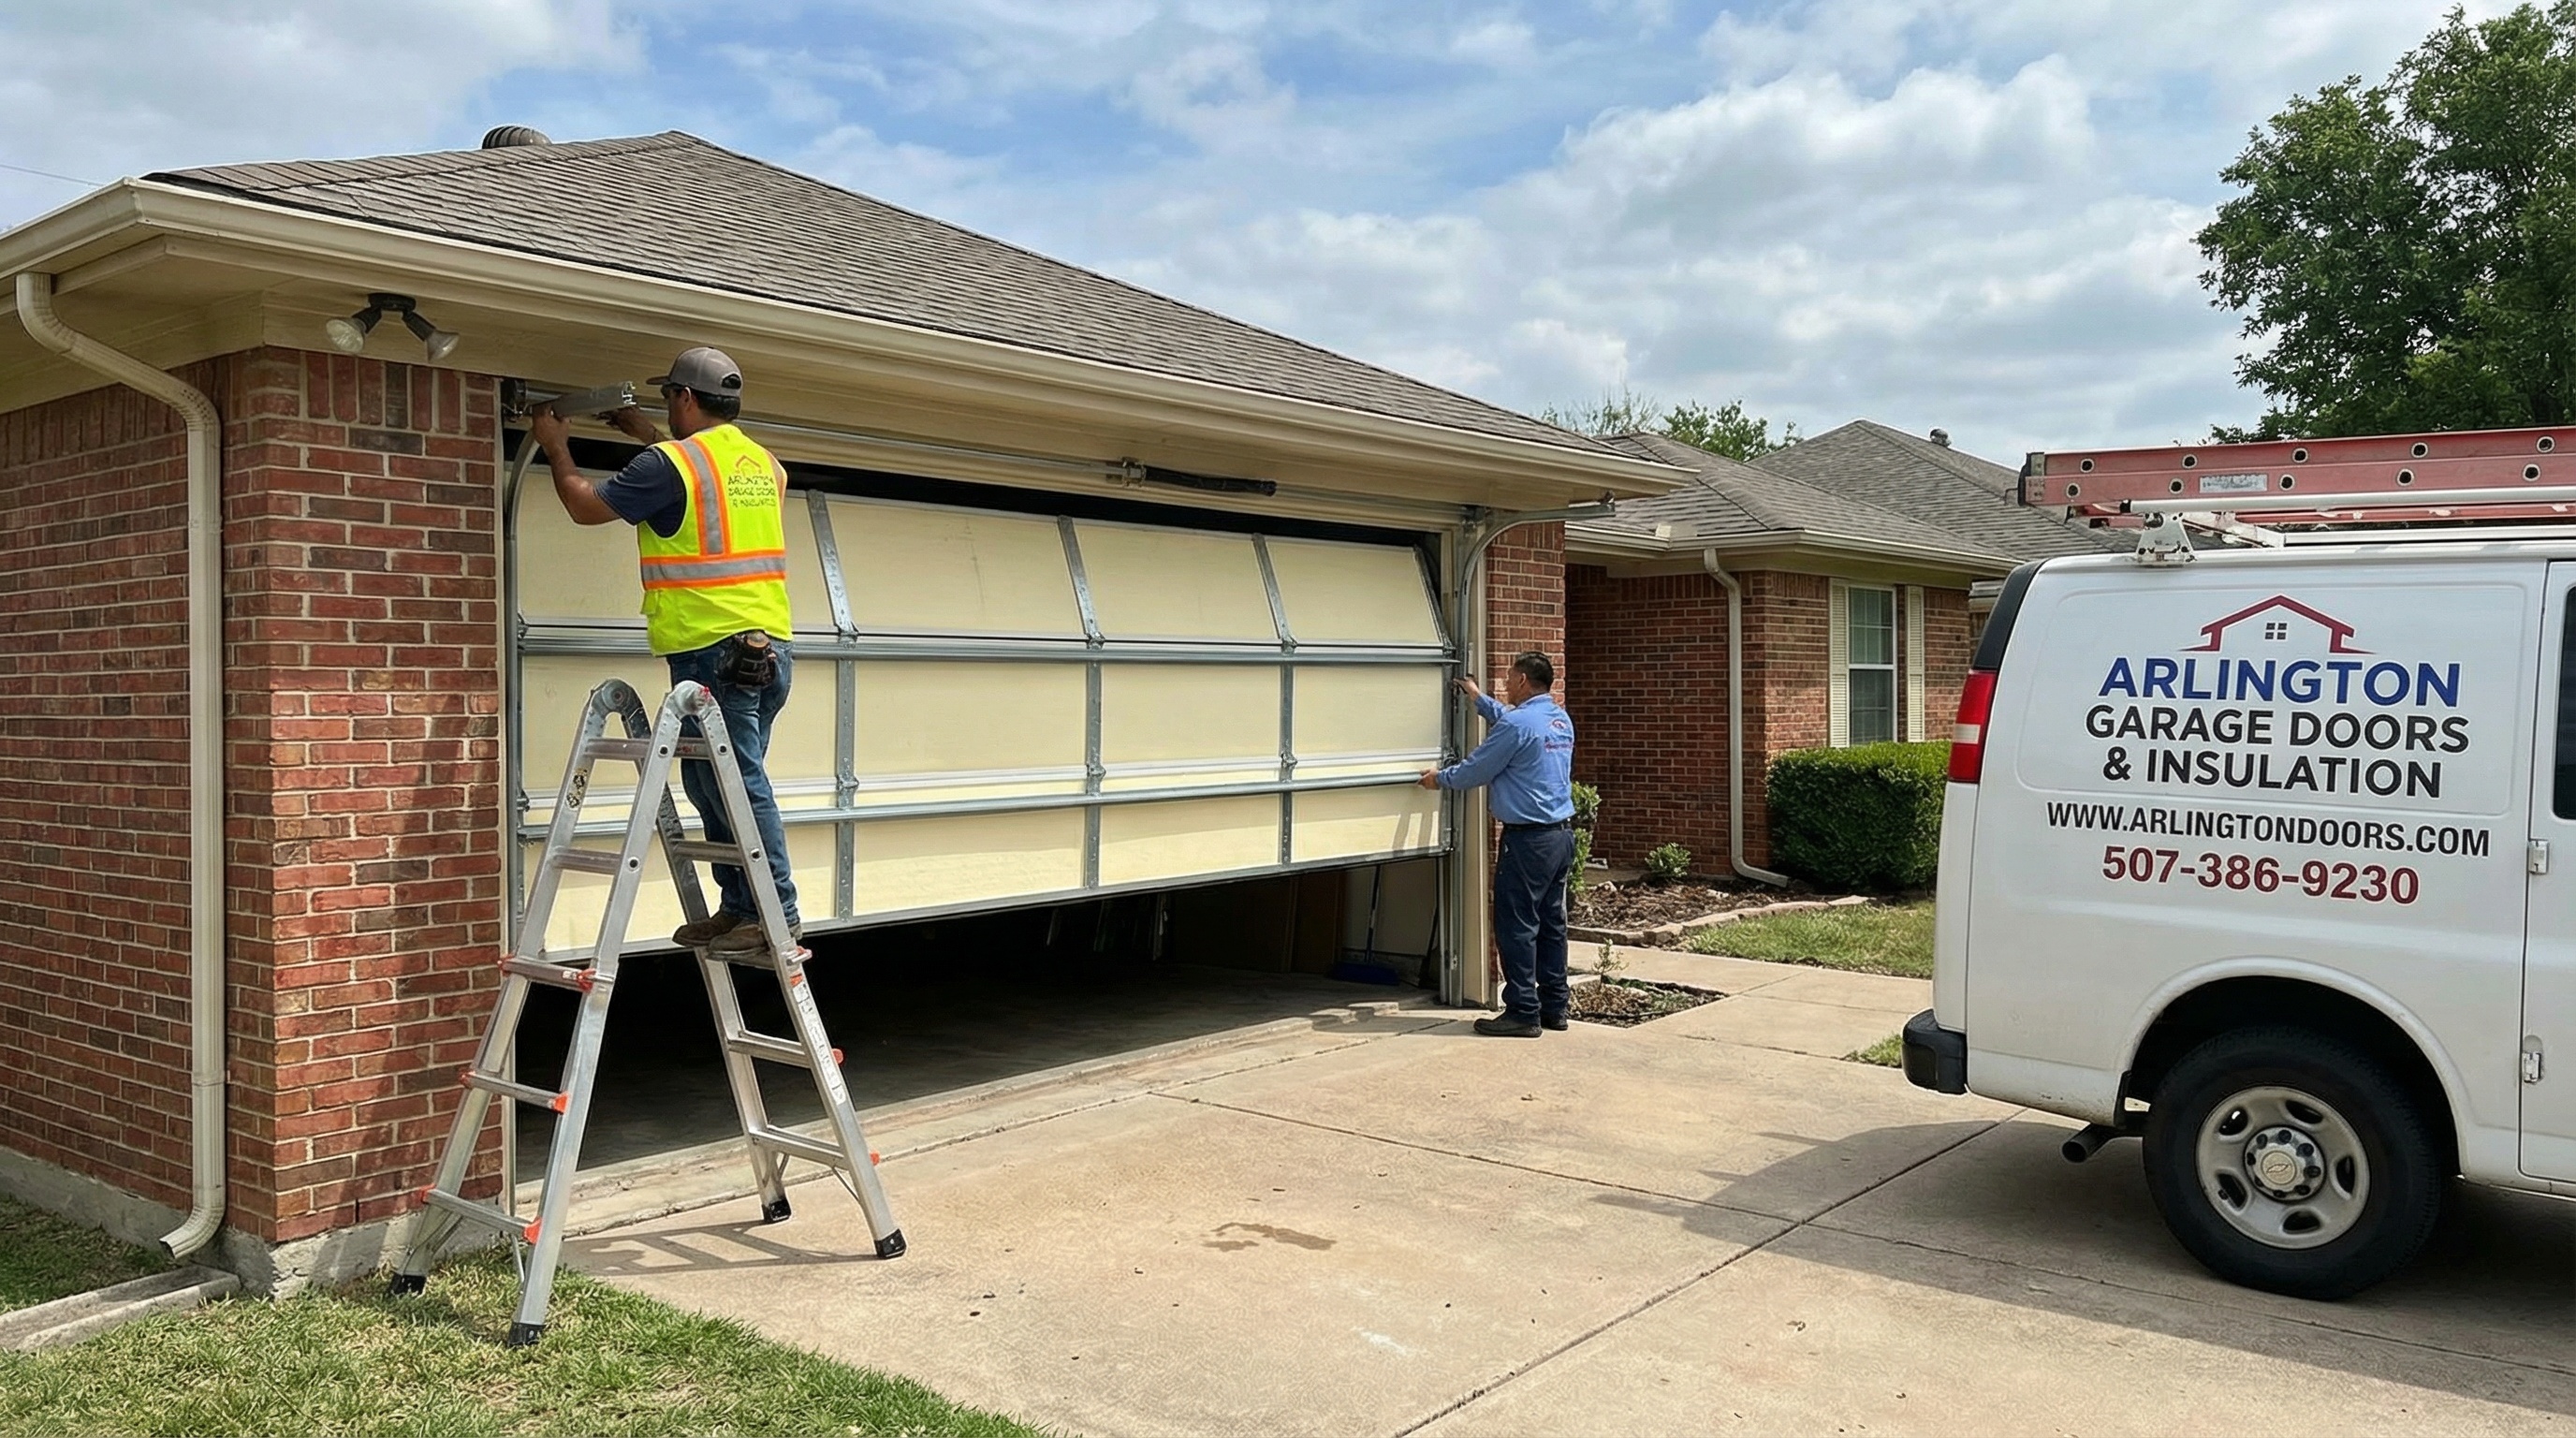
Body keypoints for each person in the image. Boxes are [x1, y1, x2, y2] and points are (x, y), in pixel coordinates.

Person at [529, 345, 802, 956]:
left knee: (737, 784)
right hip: (767, 648)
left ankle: (777, 914)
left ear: (685, 397)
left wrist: (555, 445)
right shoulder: (764, 465)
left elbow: (584, 505)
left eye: (669, 397)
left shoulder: (670, 463)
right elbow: (700, 478)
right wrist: (645, 433)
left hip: (716, 651)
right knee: (712, 784)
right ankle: (740, 907)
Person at [1419, 651, 1576, 1036]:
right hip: (1560, 837)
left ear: (1522, 680)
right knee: (1551, 925)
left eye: (1508, 678)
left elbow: (1478, 769)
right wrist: (1478, 697)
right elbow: (1510, 721)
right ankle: (1555, 1008)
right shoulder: (1558, 719)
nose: (1506, 683)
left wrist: (1438, 779)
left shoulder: (1519, 724)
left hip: (1527, 842)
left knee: (1517, 925)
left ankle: (1522, 1012)